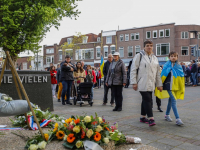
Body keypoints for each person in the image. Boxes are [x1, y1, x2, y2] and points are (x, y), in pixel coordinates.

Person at [130, 40, 163, 126]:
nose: (149, 47)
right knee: (148, 99)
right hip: (142, 82)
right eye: (147, 45)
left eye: (151, 46)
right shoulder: (139, 56)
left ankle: (142, 117)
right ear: (144, 47)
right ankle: (151, 118)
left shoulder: (155, 58)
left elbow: (157, 73)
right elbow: (133, 69)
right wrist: (134, 82)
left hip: (151, 83)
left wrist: (159, 84)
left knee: (145, 100)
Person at [155, 51, 185, 126]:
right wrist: (160, 85)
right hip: (168, 86)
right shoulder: (166, 66)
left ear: (177, 57)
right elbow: (162, 75)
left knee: (170, 101)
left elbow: (181, 77)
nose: (173, 57)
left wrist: (181, 87)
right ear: (169, 57)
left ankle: (167, 115)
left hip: (175, 86)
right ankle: (178, 119)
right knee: (174, 101)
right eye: (171, 56)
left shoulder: (179, 66)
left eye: (175, 56)